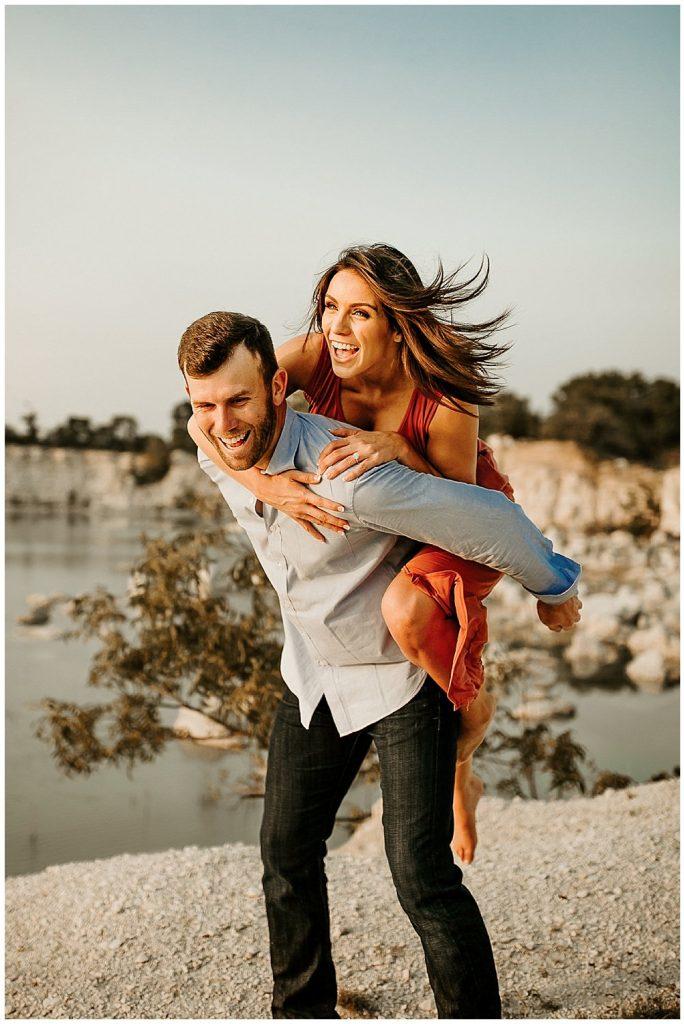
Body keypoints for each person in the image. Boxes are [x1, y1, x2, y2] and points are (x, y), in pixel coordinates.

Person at [179, 310, 582, 1018]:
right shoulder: (221, 443)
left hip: (401, 680)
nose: (222, 421)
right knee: (285, 854)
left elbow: (494, 522)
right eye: (204, 405)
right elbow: (210, 442)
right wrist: (263, 485)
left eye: (238, 400)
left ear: (279, 387)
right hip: (315, 675)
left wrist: (555, 589)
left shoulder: (350, 475)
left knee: (420, 877)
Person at [189, 243, 581, 865]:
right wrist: (266, 488)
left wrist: (398, 446)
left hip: (457, 501)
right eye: (329, 308)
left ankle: (462, 752)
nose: (336, 330)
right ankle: (449, 746)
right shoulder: (312, 353)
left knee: (406, 611)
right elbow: (204, 413)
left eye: (361, 314)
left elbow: (449, 514)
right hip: (389, 498)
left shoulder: (446, 394)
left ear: (399, 325)